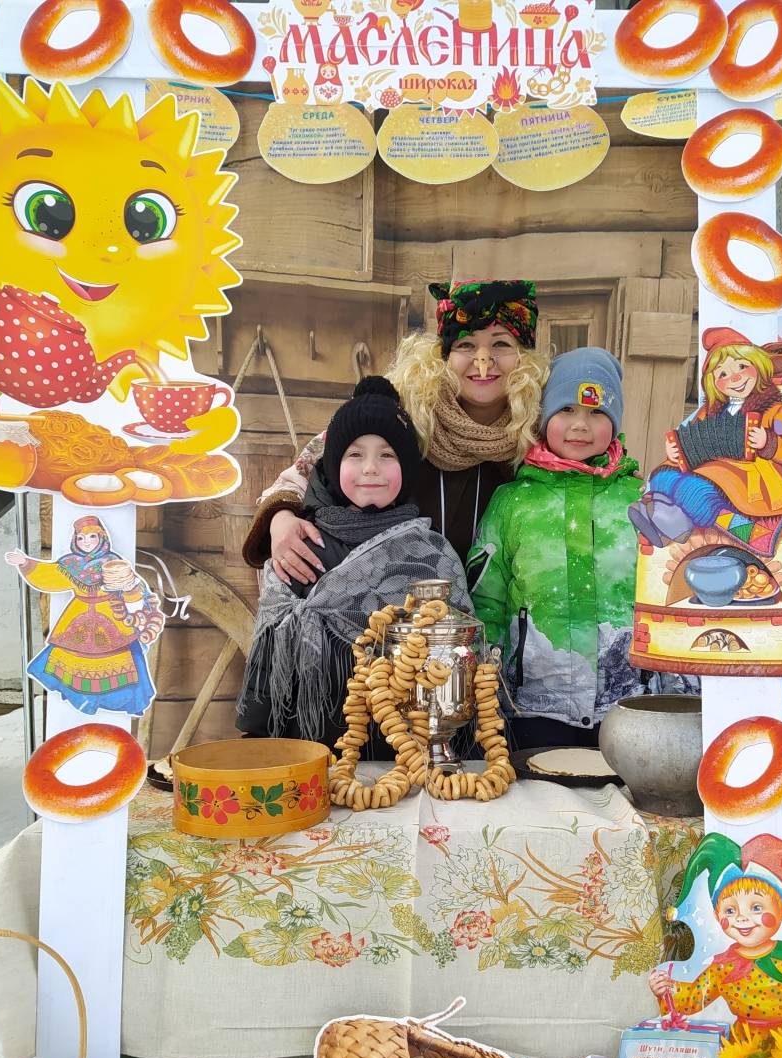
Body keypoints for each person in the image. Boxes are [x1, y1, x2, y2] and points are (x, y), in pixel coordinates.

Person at [242, 280, 548, 582]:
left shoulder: (543, 430)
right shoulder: (406, 412)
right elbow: (311, 469)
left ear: (524, 357)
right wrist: (281, 518)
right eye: (465, 344)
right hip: (394, 599)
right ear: (443, 356)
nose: (483, 360)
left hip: (497, 607)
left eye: (501, 344)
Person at [236, 377, 470, 749]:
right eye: (355, 455)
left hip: (403, 749)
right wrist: (259, 734)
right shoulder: (301, 546)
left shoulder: (431, 553)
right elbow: (272, 648)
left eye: (387, 455)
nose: (371, 468)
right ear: (332, 466)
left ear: (407, 469)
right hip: (312, 745)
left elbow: (458, 657)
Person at [466, 348, 645, 748]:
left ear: (614, 421)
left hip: (627, 707)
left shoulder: (642, 502)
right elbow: (486, 602)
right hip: (532, 707)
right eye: (566, 409)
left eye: (596, 412)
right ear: (544, 416)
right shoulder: (513, 502)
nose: (580, 424)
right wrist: (485, 686)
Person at [648, 833, 782, 1035]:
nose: (742, 918)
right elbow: (693, 998)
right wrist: (666, 989)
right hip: (743, 1045)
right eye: (730, 910)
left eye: (756, 907)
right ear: (717, 915)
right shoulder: (722, 967)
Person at [629, 327, 782, 549]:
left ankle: (673, 524)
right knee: (663, 478)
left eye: (742, 367)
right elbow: (692, 438)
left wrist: (768, 442)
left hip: (751, 474)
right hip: (710, 467)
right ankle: (657, 520)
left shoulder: (775, 411)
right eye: (722, 374)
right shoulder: (709, 412)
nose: (735, 378)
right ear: (712, 382)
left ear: (758, 365)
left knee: (695, 489)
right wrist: (676, 450)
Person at [5, 516, 163, 716]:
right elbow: (48, 576)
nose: (86, 542)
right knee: (71, 660)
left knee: (125, 658)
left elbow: (133, 587)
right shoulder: (70, 564)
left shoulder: (113, 562)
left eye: (91, 536)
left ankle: (123, 700)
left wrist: (130, 589)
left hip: (112, 615)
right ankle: (83, 701)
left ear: (102, 537)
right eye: (81, 538)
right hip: (78, 616)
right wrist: (25, 563)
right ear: (75, 540)